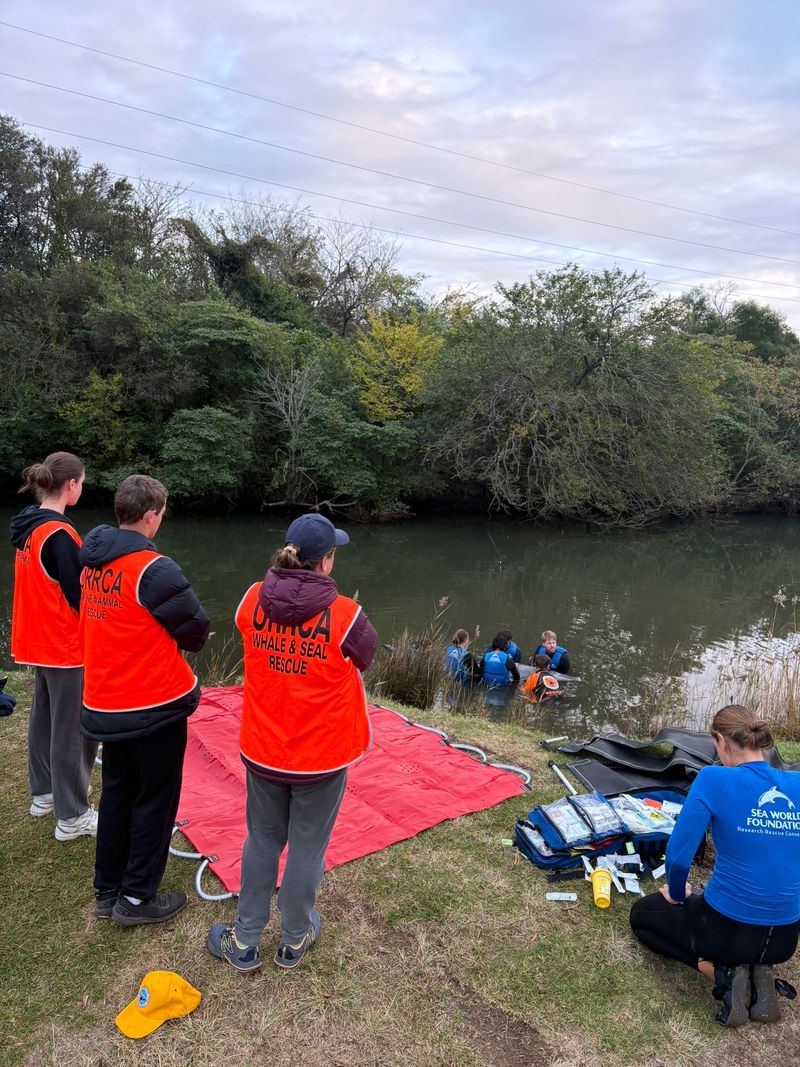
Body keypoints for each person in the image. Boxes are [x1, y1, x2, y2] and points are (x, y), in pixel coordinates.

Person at [207, 513, 377, 972]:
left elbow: (254, 631)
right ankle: (295, 939)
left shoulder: (250, 600)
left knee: (262, 838)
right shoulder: (345, 614)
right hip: (321, 757)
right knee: (306, 848)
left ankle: (244, 941)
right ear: (326, 562)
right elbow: (367, 654)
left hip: (263, 749)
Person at [79, 475, 210, 925]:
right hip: (153, 702)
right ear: (152, 515)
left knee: (118, 792)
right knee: (155, 797)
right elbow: (195, 632)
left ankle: (107, 889)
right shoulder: (154, 569)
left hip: (105, 698)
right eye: (162, 513)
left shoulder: (92, 562)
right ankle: (136, 899)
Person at [630, 704, 800, 1028]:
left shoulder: (714, 778)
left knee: (642, 916)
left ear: (720, 741)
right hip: (785, 936)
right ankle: (761, 967)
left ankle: (723, 972)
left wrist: (678, 894)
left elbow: (679, 855)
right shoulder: (798, 784)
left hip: (725, 929)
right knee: (758, 922)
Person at [9, 451, 98, 841]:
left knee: (43, 719)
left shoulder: (29, 527)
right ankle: (72, 815)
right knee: (71, 731)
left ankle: (44, 794)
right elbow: (80, 595)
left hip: (35, 640)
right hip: (63, 645)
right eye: (82, 482)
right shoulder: (59, 534)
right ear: (71, 485)